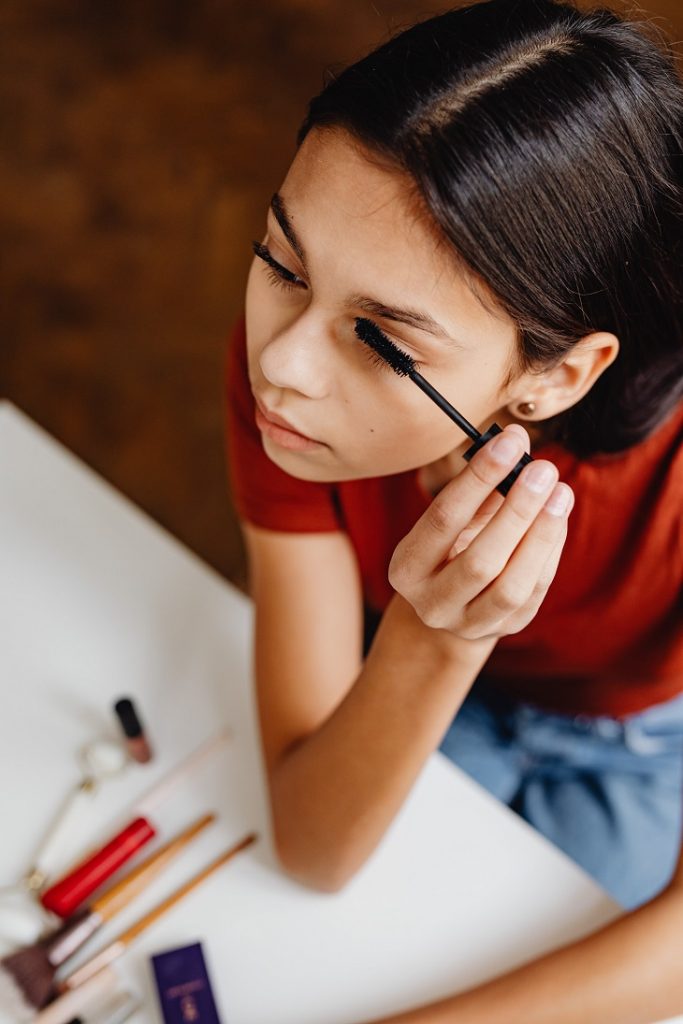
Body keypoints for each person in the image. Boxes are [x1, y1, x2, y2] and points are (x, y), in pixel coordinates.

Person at [224, 0, 683, 1018]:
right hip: (423, 672)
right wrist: (432, 633)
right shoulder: (291, 377)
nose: (281, 362)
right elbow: (310, 843)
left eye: (382, 342)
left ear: (558, 375)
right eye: (280, 260)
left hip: (636, 736)